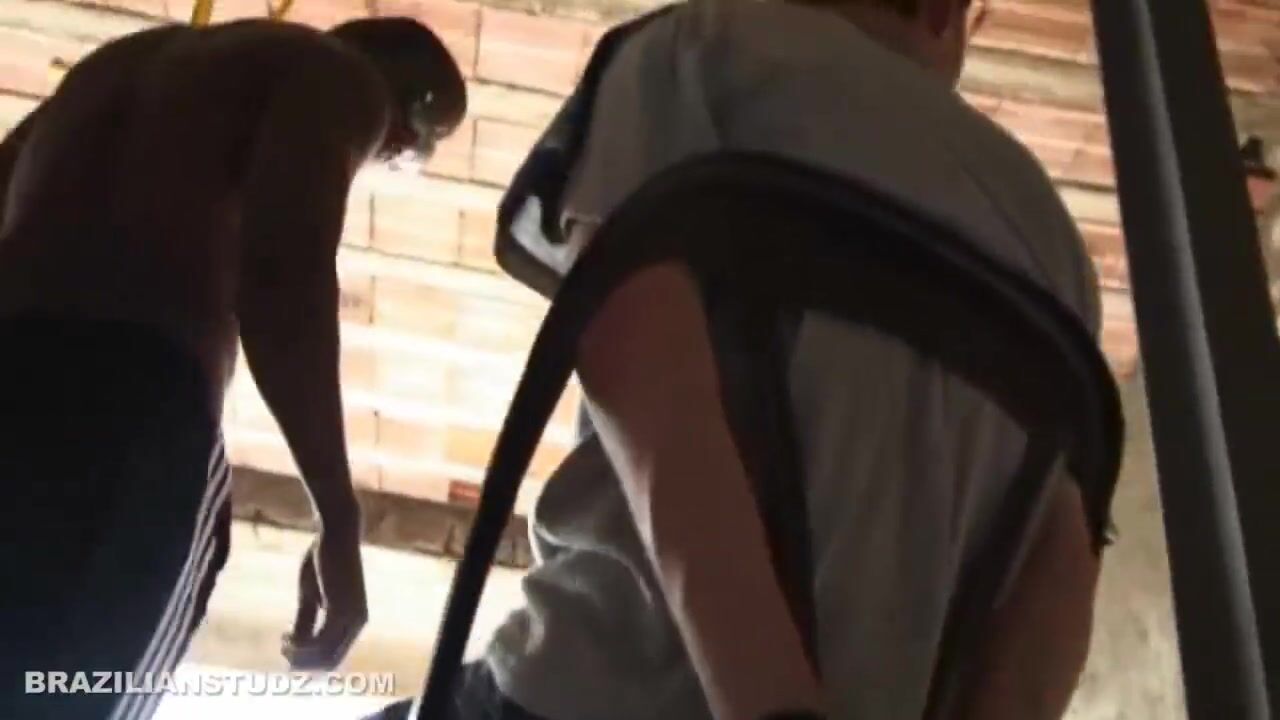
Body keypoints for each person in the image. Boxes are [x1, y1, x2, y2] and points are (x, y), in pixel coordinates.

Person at [376, 0, 1108, 719]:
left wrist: (774, 709)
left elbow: (633, 346)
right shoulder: (1054, 239)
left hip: (590, 691)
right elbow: (1061, 568)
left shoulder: (697, 49)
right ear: (944, 13)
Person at [0, 15, 465, 719]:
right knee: (71, 692)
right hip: (133, 410)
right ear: (402, 136)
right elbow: (283, 279)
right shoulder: (343, 81)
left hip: (14, 357)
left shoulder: (119, 62)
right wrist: (339, 519)